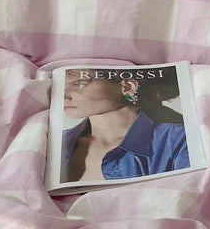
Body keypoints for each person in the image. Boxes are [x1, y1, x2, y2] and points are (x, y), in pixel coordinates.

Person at [60, 69, 189, 183]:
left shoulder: (178, 141)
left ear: (128, 86)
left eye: (79, 84)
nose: (63, 96)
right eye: (61, 86)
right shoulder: (59, 143)